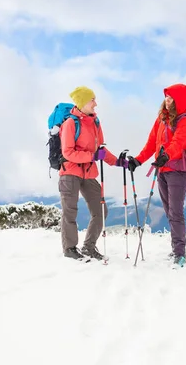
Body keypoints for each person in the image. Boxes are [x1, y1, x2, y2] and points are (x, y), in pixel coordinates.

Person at [127, 83, 186, 267]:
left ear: (178, 100)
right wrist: (139, 160)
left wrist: (166, 156)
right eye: (166, 96)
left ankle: (180, 254)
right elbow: (151, 144)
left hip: (178, 170)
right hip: (162, 170)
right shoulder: (161, 119)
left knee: (176, 212)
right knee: (169, 212)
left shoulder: (185, 120)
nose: (167, 100)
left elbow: (180, 142)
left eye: (171, 97)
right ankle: (175, 250)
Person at [58, 86, 126, 261]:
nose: (96, 103)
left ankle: (88, 247)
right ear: (82, 102)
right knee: (70, 211)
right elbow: (68, 152)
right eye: (92, 100)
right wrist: (92, 156)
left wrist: (118, 162)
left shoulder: (95, 122)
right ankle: (70, 249)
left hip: (88, 173)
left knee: (101, 210)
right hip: (70, 172)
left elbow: (101, 149)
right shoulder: (70, 124)